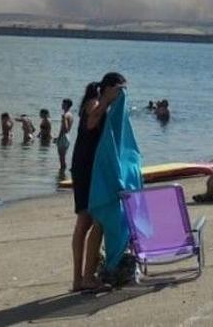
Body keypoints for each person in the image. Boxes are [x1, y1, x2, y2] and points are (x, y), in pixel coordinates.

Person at [70, 72, 127, 293]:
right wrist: (107, 100)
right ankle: (84, 277)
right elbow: (92, 122)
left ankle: (83, 278)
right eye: (119, 89)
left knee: (88, 221)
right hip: (86, 168)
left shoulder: (105, 105)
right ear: (108, 87)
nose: (122, 94)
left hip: (94, 167)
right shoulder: (93, 102)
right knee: (91, 220)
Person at [56, 99, 75, 171]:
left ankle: (62, 174)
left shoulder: (66, 115)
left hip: (63, 137)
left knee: (62, 158)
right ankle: (62, 174)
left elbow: (65, 129)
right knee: (62, 157)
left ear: (67, 105)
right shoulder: (70, 114)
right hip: (67, 137)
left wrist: (59, 138)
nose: (62, 105)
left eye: (63, 104)